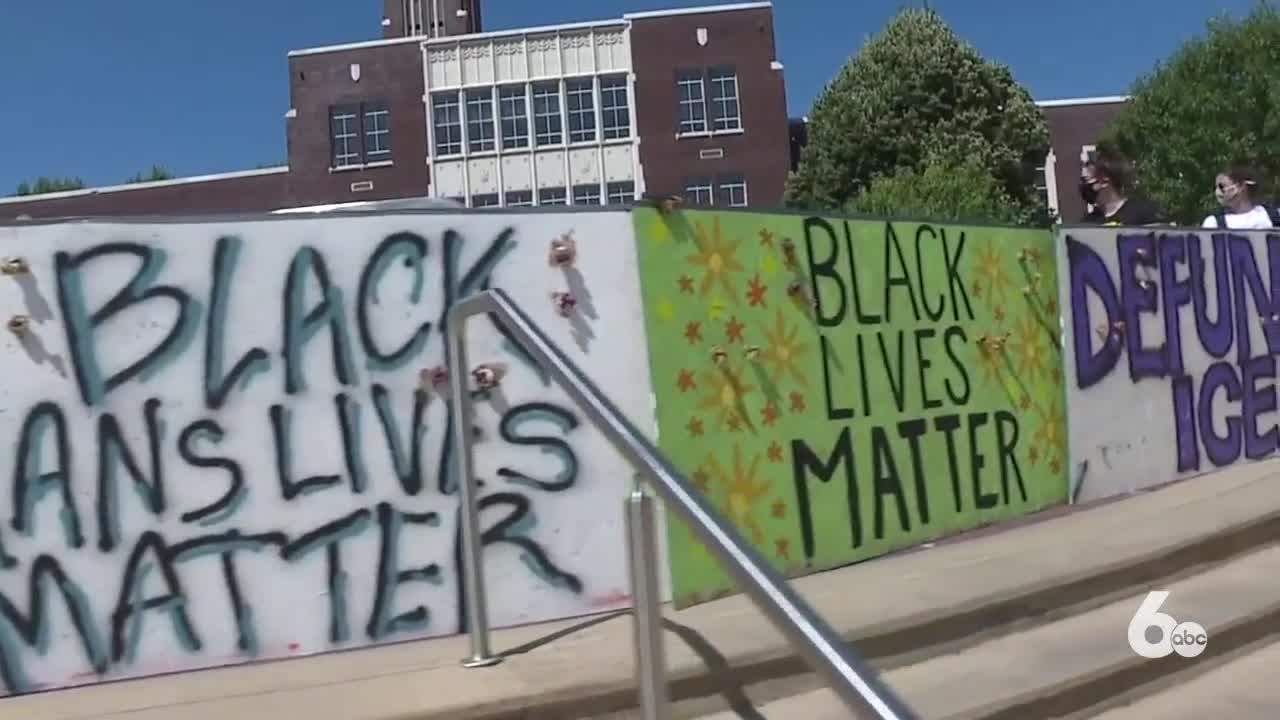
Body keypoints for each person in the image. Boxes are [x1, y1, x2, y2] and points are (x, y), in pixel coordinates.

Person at [1078, 152, 1164, 226]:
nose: (1083, 185)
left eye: (1085, 180)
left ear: (1104, 181)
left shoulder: (1146, 213)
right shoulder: (1087, 225)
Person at [1202, 165, 1279, 230]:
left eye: (1222, 186)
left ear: (1241, 186)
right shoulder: (1213, 223)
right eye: (1216, 187)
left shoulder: (1275, 216)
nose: (1218, 191)